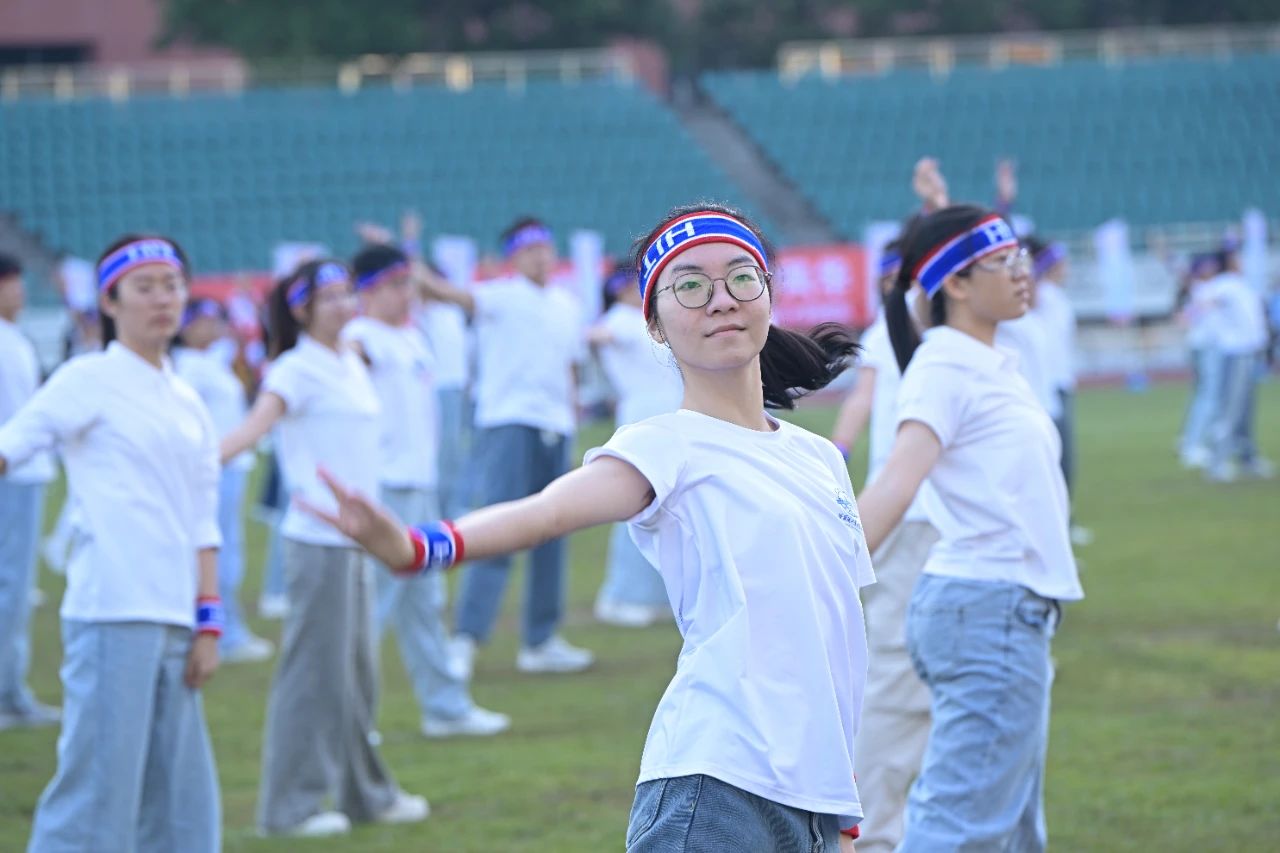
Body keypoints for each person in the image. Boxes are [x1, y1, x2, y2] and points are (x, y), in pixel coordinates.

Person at [301, 203, 871, 851]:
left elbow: (835, 637)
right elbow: (546, 511)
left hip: (813, 804)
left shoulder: (819, 457)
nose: (720, 300)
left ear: (768, 294)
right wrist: (418, 547)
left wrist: (843, 806)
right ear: (653, 324)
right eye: (690, 285)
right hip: (717, 786)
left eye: (742, 276)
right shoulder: (666, 444)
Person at [856, 205, 1084, 852]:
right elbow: (897, 483)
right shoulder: (945, 367)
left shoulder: (983, 360)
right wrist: (821, 579)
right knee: (961, 828)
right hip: (988, 609)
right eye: (1003, 261)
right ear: (955, 284)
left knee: (1010, 826)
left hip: (1006, 606)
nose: (1023, 271)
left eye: (1021, 256)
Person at [0, 235, 223, 851]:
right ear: (110, 300)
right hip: (111, 613)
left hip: (176, 618)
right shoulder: (88, 378)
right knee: (96, 802)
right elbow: (14, 442)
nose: (162, 300)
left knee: (180, 807)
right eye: (144, 287)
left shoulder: (188, 400)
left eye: (172, 285)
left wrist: (208, 622)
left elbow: (204, 520)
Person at [219, 260, 429, 837]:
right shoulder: (294, 368)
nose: (342, 305)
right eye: (328, 297)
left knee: (357, 675)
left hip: (357, 541)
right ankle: (288, 809)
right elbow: (256, 425)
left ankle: (367, 794)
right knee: (313, 675)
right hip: (318, 543)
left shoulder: (348, 361)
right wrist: (207, 459)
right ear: (300, 308)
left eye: (345, 294)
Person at [343, 244, 509, 738]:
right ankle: (353, 722)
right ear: (369, 290)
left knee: (424, 603)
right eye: (396, 285)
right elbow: (344, 357)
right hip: (383, 488)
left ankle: (446, 707)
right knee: (373, 608)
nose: (407, 295)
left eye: (409, 284)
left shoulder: (412, 337)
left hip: (419, 486)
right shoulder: (360, 337)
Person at [417, 217, 593, 676]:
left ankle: (541, 639)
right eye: (529, 250)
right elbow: (447, 295)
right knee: (498, 527)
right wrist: (409, 258)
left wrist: (571, 419)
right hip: (508, 421)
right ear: (513, 257)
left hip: (554, 425)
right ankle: (467, 637)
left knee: (554, 531)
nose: (540, 257)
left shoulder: (565, 305)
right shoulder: (500, 296)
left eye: (545, 248)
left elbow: (569, 368)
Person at [830, 243, 940, 853]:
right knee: (897, 672)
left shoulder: (950, 337)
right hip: (907, 515)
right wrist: (840, 452)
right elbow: (861, 398)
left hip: (932, 519)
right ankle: (870, 834)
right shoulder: (895, 331)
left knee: (923, 675)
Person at [173, 298, 274, 664]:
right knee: (221, 552)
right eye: (205, 321)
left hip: (230, 466)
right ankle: (225, 632)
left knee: (229, 549)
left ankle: (226, 627)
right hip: (215, 468)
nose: (214, 328)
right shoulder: (188, 368)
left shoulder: (209, 363)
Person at [588, 266, 683, 627]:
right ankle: (619, 595)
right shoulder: (621, 319)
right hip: (642, 422)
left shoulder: (644, 322)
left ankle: (652, 594)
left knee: (665, 509)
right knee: (636, 507)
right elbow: (599, 334)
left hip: (665, 422)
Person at [0, 254, 60, 730]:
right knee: (10, 588)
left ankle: (12, 689)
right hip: (11, 475)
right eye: (11, 285)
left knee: (16, 588)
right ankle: (8, 694)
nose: (19, 293)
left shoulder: (14, 338)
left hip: (27, 473)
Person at [1202, 246, 1273, 481]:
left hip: (1250, 352)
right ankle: (1217, 461)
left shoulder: (1240, 284)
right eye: (1236, 257)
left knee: (1246, 408)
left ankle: (1247, 457)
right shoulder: (1224, 284)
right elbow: (1206, 301)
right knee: (1230, 408)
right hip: (1234, 352)